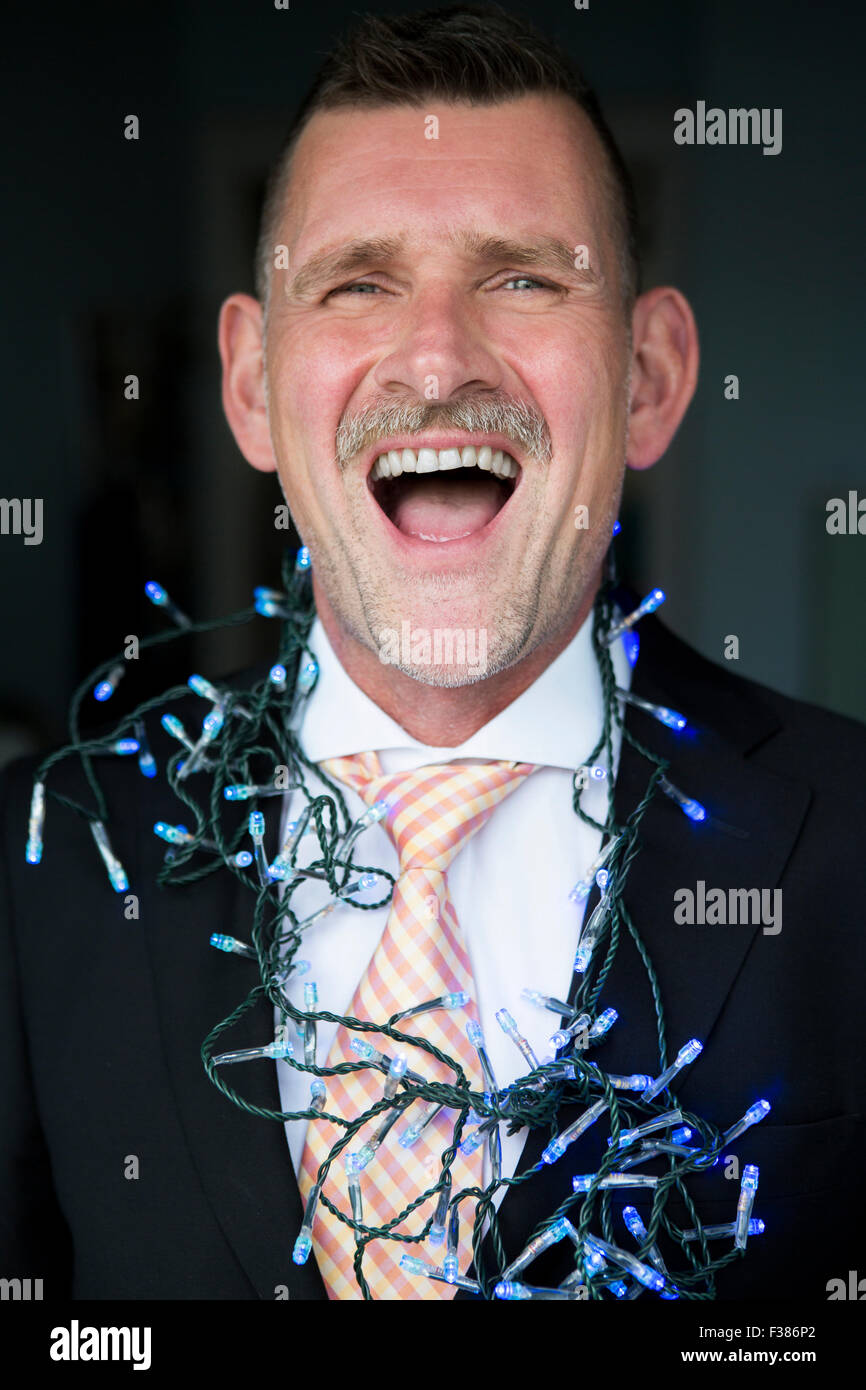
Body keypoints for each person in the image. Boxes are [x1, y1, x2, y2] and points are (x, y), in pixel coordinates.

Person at [1, 5, 864, 1303]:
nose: (437, 356)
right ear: (249, 384)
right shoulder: (52, 849)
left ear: (647, 376)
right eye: (357, 281)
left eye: (522, 277)